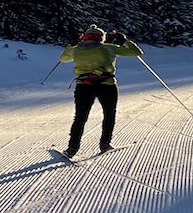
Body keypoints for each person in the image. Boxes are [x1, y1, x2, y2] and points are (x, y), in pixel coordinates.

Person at [56, 25, 143, 158]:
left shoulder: (76, 50)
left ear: (85, 37)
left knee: (80, 117)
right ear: (101, 38)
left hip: (83, 86)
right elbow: (136, 52)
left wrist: (71, 44)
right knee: (109, 115)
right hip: (107, 85)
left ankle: (72, 149)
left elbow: (63, 59)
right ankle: (105, 145)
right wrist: (124, 40)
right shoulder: (108, 48)